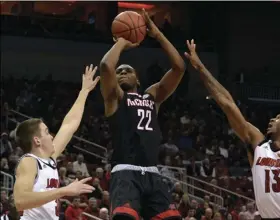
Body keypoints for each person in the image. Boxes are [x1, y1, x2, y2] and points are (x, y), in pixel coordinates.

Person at [99, 9, 185, 220]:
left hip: (153, 174)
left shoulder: (151, 97)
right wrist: (122, 40)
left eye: (127, 70)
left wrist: (157, 34)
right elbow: (106, 66)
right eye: (119, 72)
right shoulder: (115, 98)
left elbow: (179, 67)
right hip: (125, 173)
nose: (121, 73)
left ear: (137, 79)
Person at [184, 39, 280, 219]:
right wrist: (200, 68)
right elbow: (228, 104)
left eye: (278, 118)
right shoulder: (259, 145)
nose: (273, 119)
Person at [13, 65, 100, 219]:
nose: (52, 136)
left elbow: (69, 125)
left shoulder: (48, 160)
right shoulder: (29, 161)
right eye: (46, 132)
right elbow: (20, 201)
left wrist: (84, 92)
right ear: (37, 140)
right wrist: (64, 191)